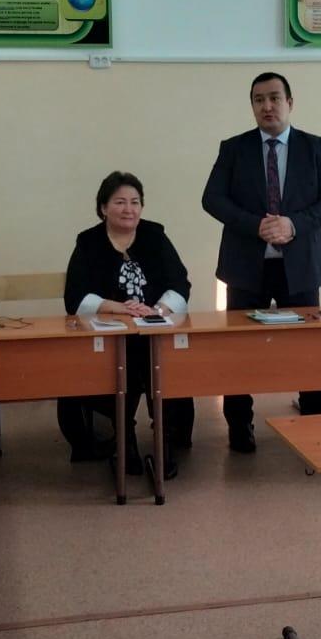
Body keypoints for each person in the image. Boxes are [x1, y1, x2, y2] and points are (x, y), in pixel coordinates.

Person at [202, 71, 321, 452]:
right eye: (259, 99)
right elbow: (212, 199)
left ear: (290, 103)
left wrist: (293, 224)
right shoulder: (234, 149)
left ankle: (314, 419)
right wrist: (257, 226)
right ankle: (239, 425)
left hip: (300, 267)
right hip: (245, 267)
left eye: (274, 98)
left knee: (308, 349)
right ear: (252, 105)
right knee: (240, 350)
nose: (267, 106)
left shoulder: (314, 147)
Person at [63, 171, 192, 479]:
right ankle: (123, 442)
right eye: (119, 202)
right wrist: (120, 308)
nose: (128, 209)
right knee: (124, 365)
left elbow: (180, 283)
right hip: (109, 337)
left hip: (153, 329)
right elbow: (75, 296)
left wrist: (156, 310)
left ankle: (164, 443)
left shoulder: (155, 235)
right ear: (103, 207)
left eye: (135, 202)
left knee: (163, 364)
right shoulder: (88, 242)